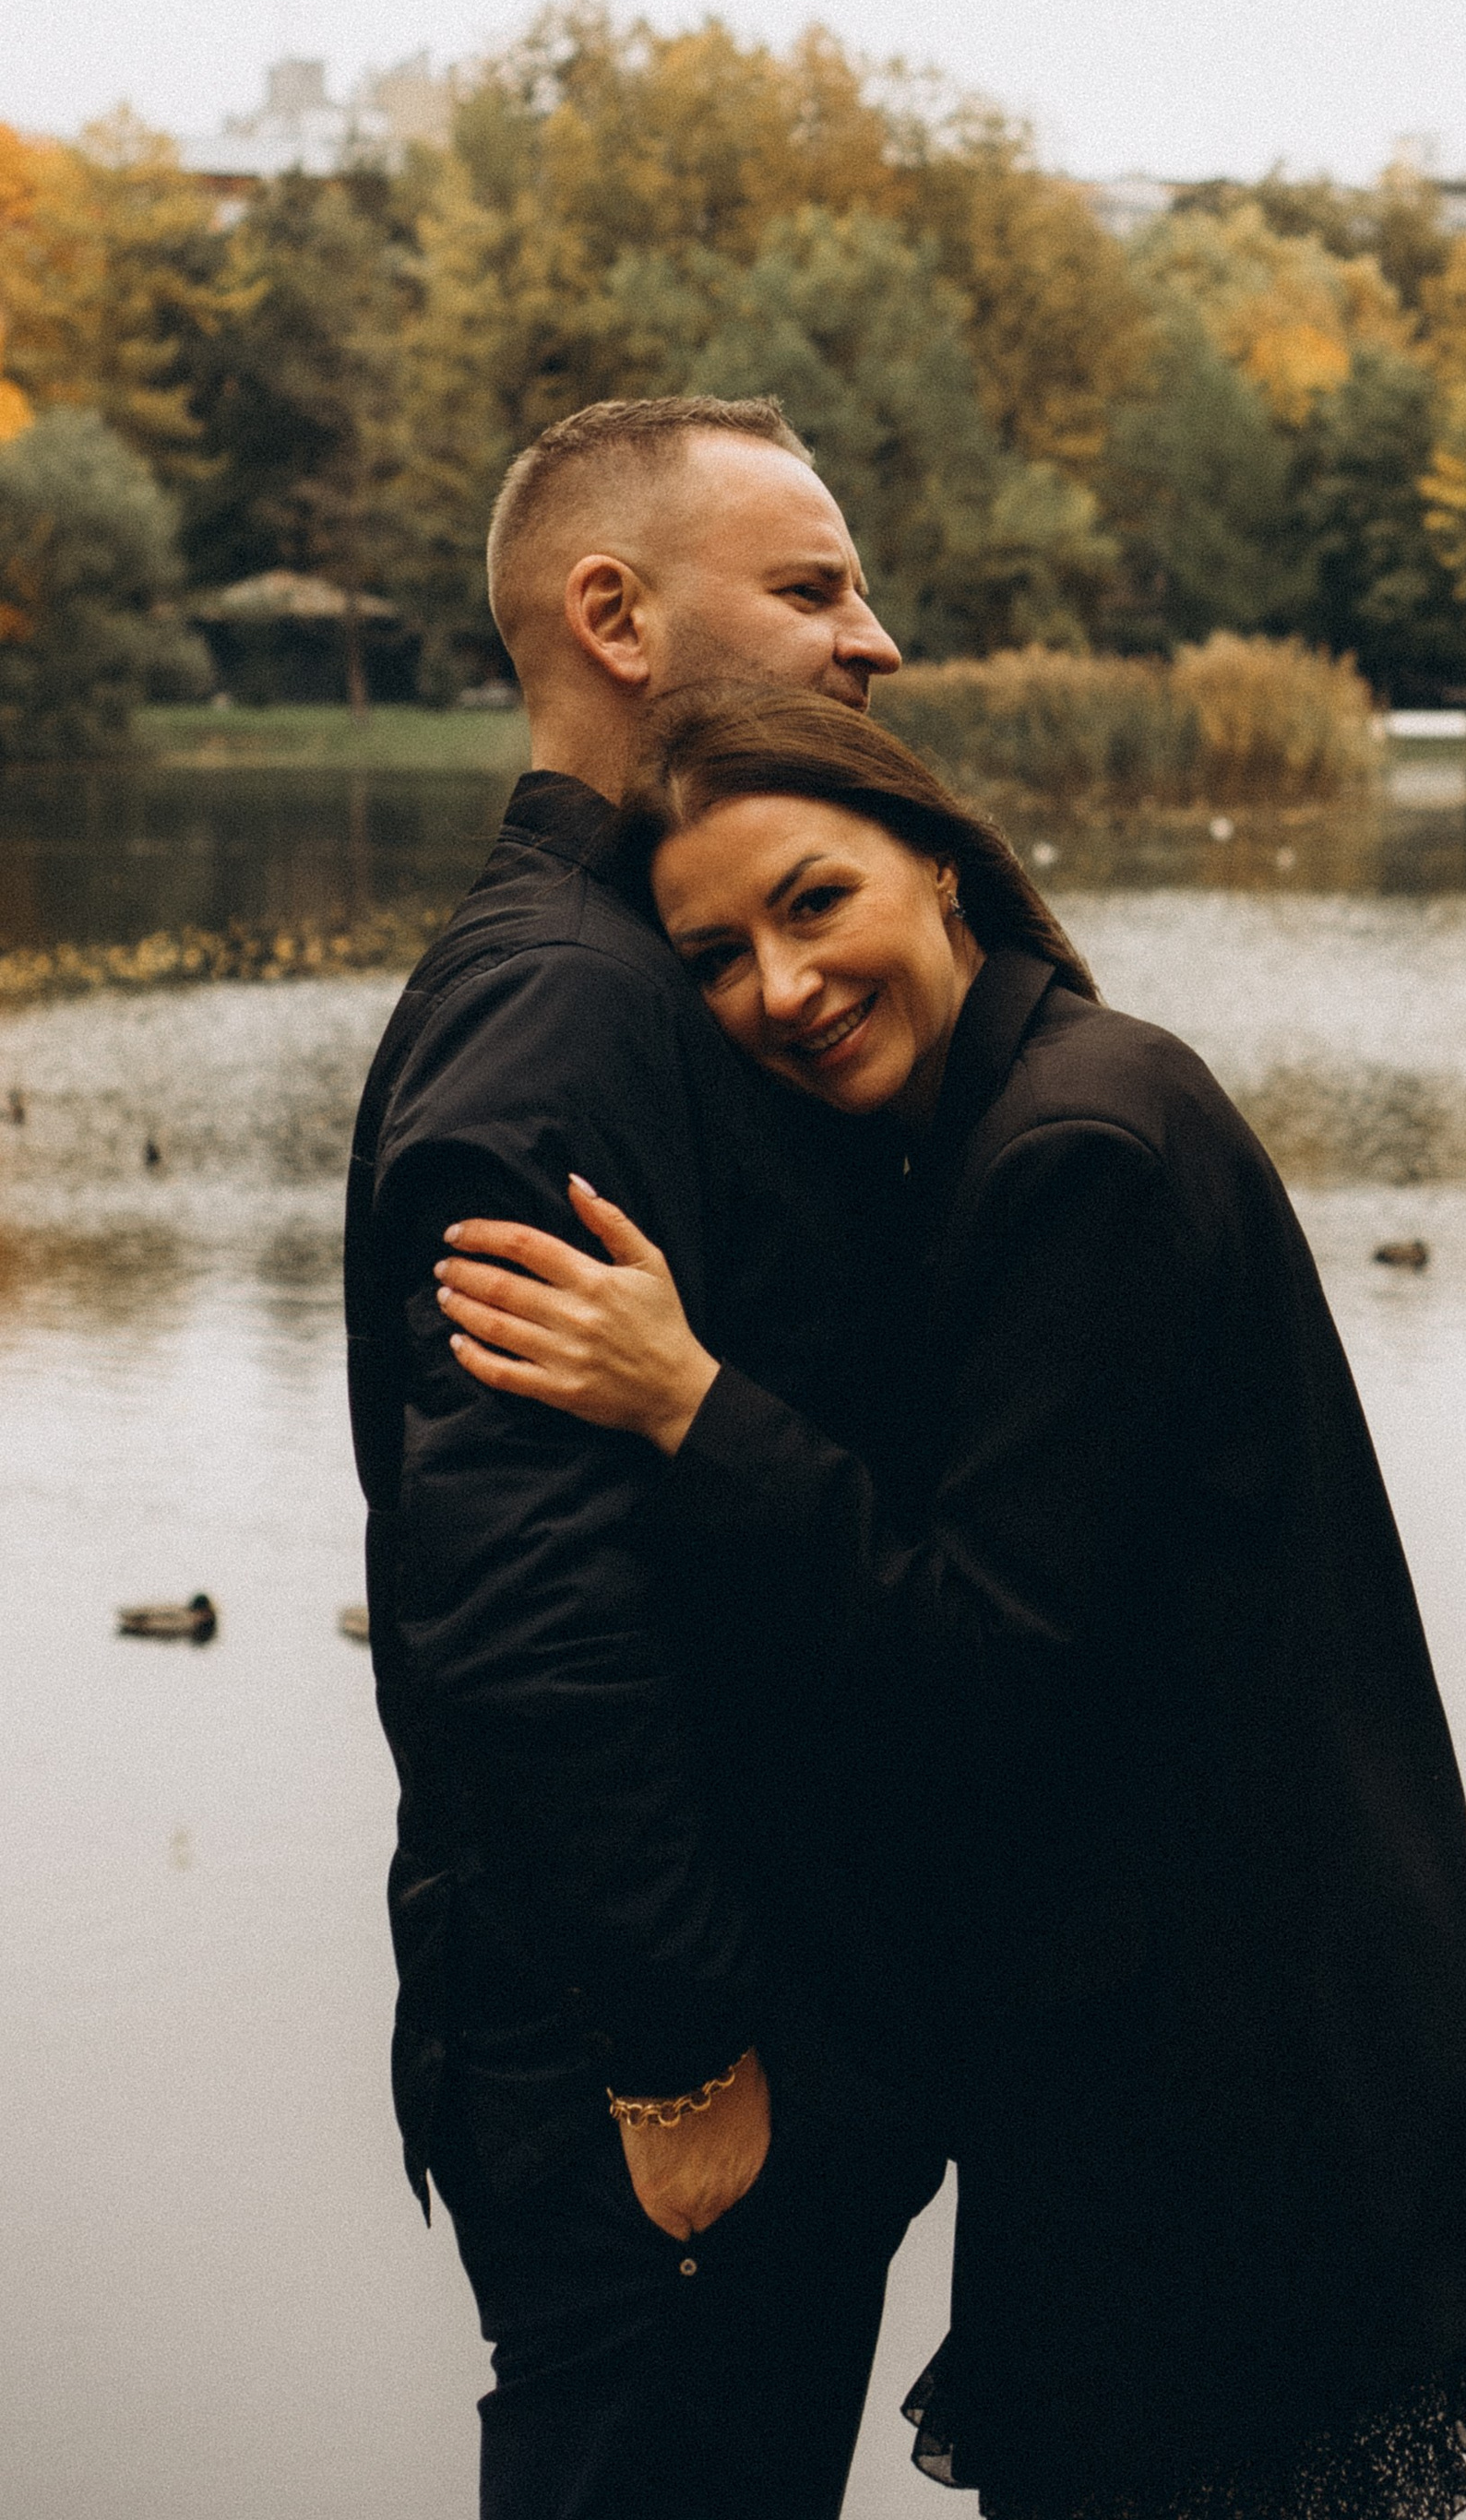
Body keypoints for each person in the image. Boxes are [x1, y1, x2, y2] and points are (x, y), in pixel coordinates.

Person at [432, 683, 1466, 2520]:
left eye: (812, 900)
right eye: (715, 956)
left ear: (935, 859)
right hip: (1191, 2071)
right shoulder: (1016, 1116)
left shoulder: (1077, 1154)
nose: (776, 984)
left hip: (1223, 2111)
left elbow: (986, 1661)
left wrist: (689, 1404)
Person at [345, 396, 945, 2520]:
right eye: (808, 589)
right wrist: (682, 2052)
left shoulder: (649, 975)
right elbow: (510, 1586)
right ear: (612, 614)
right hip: (662, 2074)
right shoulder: (565, 1008)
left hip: (719, 2033)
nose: (872, 640)